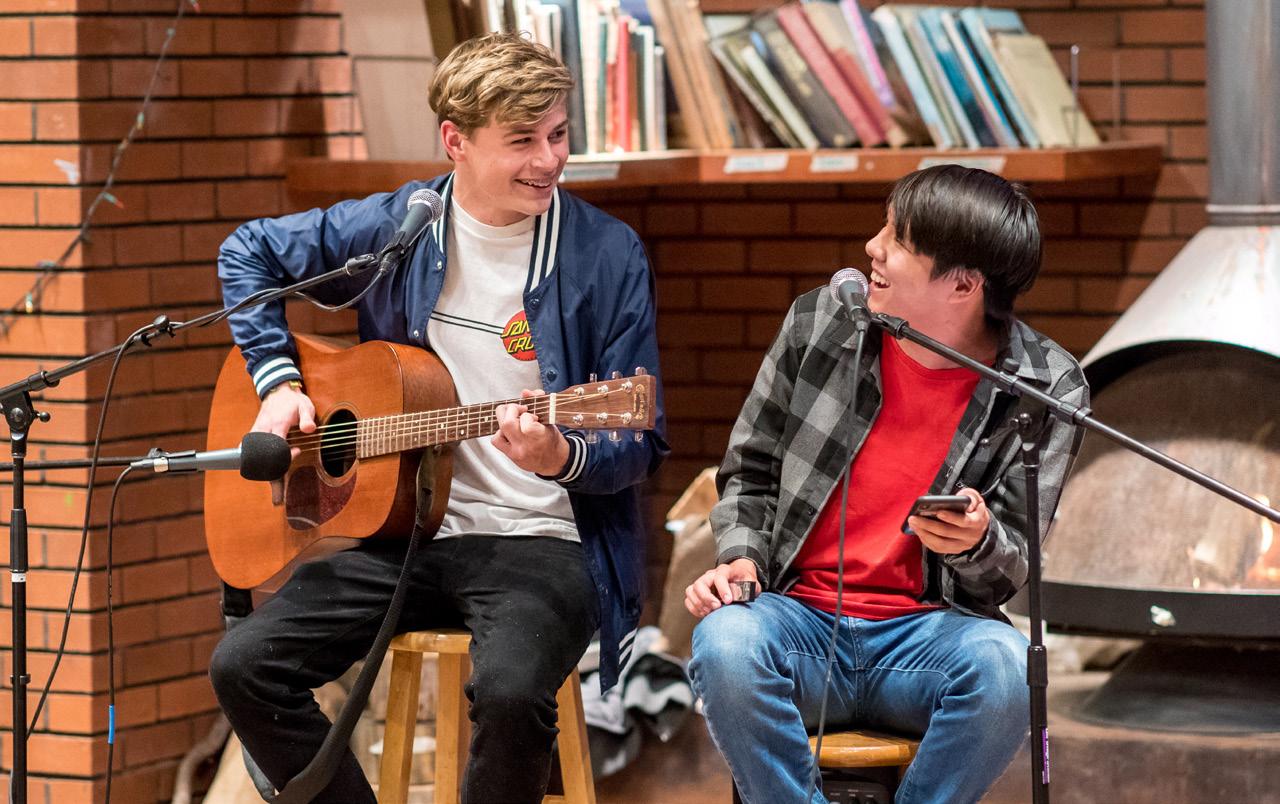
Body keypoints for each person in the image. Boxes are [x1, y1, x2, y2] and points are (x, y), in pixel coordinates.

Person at [208, 32, 667, 804]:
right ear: (455, 141)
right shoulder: (402, 228)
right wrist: (279, 381)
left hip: (548, 540)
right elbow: (247, 252)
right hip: (411, 533)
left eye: (559, 134)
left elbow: (639, 440)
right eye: (522, 141)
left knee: (513, 694)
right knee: (244, 667)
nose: (549, 160)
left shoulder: (606, 255)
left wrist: (562, 456)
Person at [685, 165, 1088, 804]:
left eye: (898, 240)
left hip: (929, 638)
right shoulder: (821, 322)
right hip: (798, 624)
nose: (872, 247)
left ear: (963, 284)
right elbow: (750, 469)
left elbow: (1010, 573)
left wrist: (978, 541)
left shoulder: (1044, 386)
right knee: (724, 644)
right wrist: (740, 559)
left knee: (1009, 669)